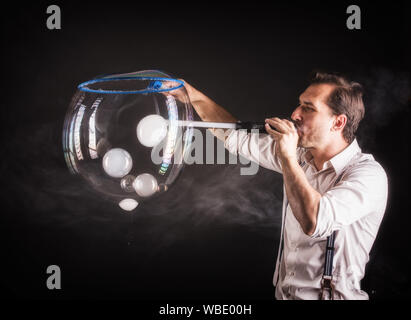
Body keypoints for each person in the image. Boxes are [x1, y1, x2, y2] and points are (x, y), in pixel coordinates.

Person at [171, 72, 388, 300]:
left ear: (338, 122)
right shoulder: (301, 156)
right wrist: (191, 95)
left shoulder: (368, 175)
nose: (295, 114)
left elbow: (314, 221)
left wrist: (287, 156)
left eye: (308, 108)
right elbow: (236, 136)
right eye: (299, 104)